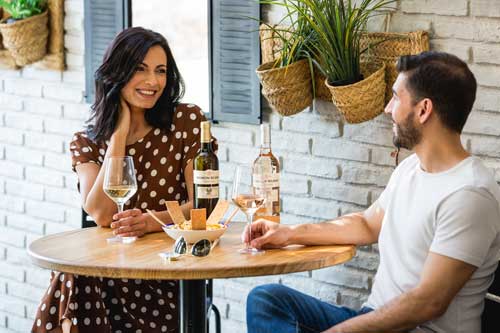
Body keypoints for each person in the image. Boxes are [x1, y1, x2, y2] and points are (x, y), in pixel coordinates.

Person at [245, 51, 500, 333]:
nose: (388, 108)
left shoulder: (470, 194)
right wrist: (288, 234)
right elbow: (367, 224)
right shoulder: (412, 167)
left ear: (423, 110)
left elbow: (428, 303)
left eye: (396, 98)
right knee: (267, 300)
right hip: (376, 314)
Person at [32, 27, 216, 333]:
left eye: (161, 71)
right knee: (77, 274)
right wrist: (118, 134)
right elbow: (102, 213)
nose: (153, 82)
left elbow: (201, 207)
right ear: (117, 74)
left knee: (74, 280)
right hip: (108, 274)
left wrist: (151, 222)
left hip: (171, 272)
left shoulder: (186, 122)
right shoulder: (87, 141)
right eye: (140, 69)